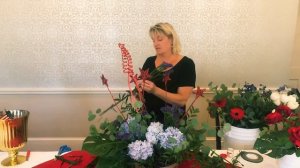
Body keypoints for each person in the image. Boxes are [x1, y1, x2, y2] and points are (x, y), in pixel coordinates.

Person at [140, 22, 196, 122]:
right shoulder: (149, 61)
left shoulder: (186, 64)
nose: (155, 44)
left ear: (171, 39)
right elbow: (140, 92)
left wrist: (155, 90)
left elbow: (182, 100)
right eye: (153, 40)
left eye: (160, 39)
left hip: (173, 123)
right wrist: (135, 95)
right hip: (147, 121)